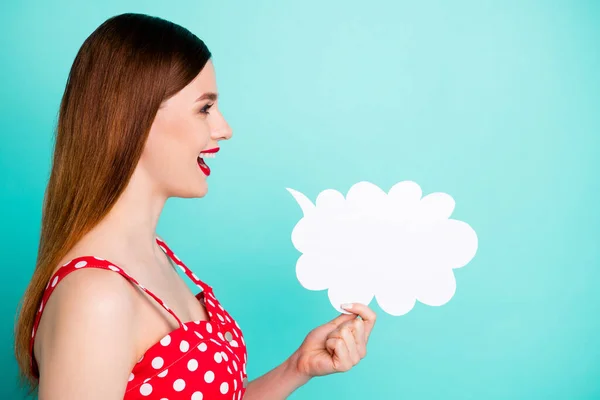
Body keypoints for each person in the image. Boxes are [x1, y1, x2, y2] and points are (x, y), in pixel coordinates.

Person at [14, 12, 376, 399]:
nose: (224, 128)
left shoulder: (156, 257)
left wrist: (296, 368)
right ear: (128, 119)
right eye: (204, 108)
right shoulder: (96, 297)